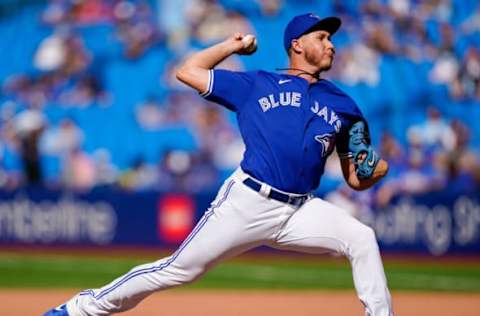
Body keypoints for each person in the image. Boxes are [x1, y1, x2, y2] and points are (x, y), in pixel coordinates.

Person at [45, 13, 393, 316]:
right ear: (297, 45)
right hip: (248, 201)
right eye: (322, 37)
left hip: (300, 209)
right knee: (176, 270)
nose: (331, 44)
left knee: (361, 237)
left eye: (331, 38)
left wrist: (376, 171)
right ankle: (78, 309)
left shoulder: (344, 105)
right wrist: (230, 45)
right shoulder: (256, 83)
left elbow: (355, 177)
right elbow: (187, 71)